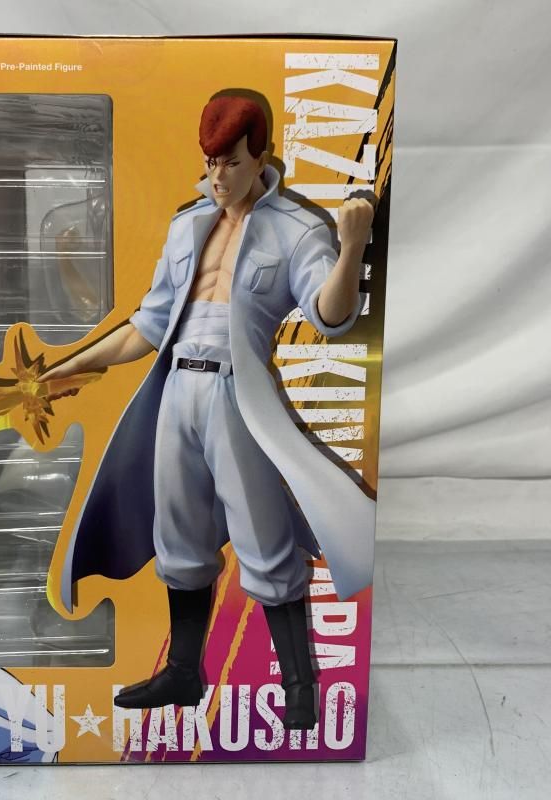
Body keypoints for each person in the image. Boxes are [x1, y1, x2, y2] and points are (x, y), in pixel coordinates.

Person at [39, 95, 375, 729]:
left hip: (236, 396)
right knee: (178, 535)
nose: (218, 176)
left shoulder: (296, 230)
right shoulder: (188, 224)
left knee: (263, 536)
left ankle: (299, 687)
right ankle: (183, 673)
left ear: (261, 157)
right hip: (176, 392)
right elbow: (147, 326)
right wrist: (74, 366)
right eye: (210, 162)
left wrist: (352, 246)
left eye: (232, 163)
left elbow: (330, 317)